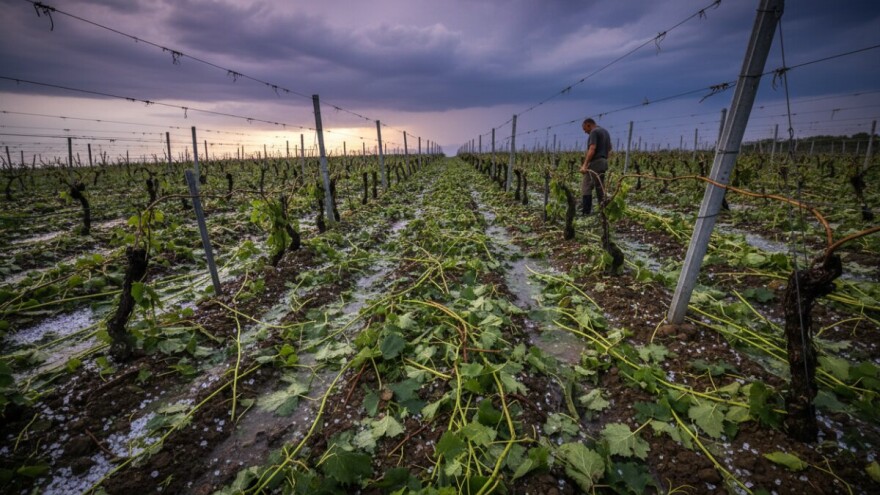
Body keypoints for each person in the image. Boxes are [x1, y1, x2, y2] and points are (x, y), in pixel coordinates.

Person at [579, 118, 611, 216]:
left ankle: (586, 212)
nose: (585, 132)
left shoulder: (594, 132)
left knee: (586, 186)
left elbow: (592, 148)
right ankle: (603, 211)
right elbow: (610, 149)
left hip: (596, 162)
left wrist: (585, 165)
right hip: (604, 162)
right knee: (600, 187)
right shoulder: (605, 132)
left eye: (585, 129)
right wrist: (604, 159)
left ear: (588, 125)